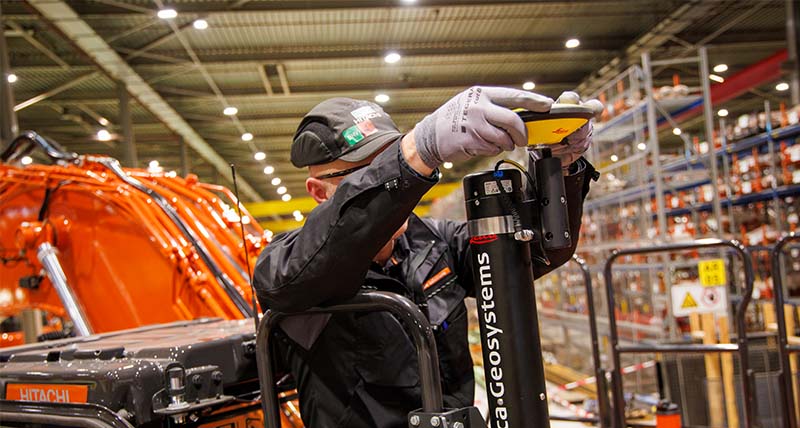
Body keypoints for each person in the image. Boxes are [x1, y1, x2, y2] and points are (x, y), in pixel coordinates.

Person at [253, 86, 600, 428]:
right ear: (318, 192)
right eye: (367, 172)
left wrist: (559, 167)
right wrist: (417, 151)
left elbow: (537, 250)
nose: (399, 188)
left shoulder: (434, 242)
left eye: (389, 159)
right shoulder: (286, 266)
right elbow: (321, 256)